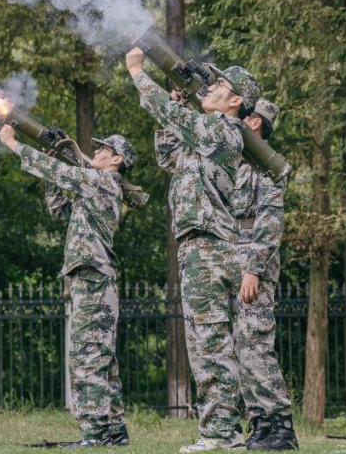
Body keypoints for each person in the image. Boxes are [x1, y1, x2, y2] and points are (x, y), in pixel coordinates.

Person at [126, 47, 259, 453]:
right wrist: (179, 104)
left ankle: (222, 435)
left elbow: (172, 116)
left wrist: (137, 72)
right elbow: (169, 155)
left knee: (211, 343)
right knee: (203, 344)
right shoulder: (205, 133)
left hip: (210, 246)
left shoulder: (226, 131)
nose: (211, 87)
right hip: (196, 247)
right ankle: (219, 431)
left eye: (220, 85)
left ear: (236, 100)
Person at [0, 124, 135, 448]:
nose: (96, 151)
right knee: (102, 359)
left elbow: (61, 172)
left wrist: (13, 144)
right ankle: (114, 431)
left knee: (88, 357)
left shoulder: (103, 182)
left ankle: (94, 435)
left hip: (94, 280)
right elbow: (60, 209)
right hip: (92, 279)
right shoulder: (94, 187)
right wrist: (53, 168)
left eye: (103, 149)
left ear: (117, 160)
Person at [233, 99, 298, 451]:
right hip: (231, 258)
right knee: (241, 348)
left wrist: (253, 269)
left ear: (255, 122)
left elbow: (270, 222)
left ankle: (281, 426)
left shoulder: (268, 164)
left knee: (255, 344)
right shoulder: (235, 161)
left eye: (242, 116)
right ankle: (260, 423)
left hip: (252, 266)